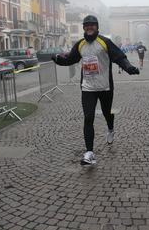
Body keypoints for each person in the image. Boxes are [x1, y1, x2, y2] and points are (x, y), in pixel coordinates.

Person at [51, 15, 140, 165]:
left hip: (105, 87)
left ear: (97, 27)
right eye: (87, 25)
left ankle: (110, 128)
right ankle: (89, 153)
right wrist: (58, 59)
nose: (89, 27)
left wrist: (129, 68)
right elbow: (70, 59)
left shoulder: (105, 42)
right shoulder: (80, 44)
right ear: (84, 28)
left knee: (107, 113)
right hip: (88, 88)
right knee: (88, 118)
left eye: (92, 25)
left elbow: (119, 57)